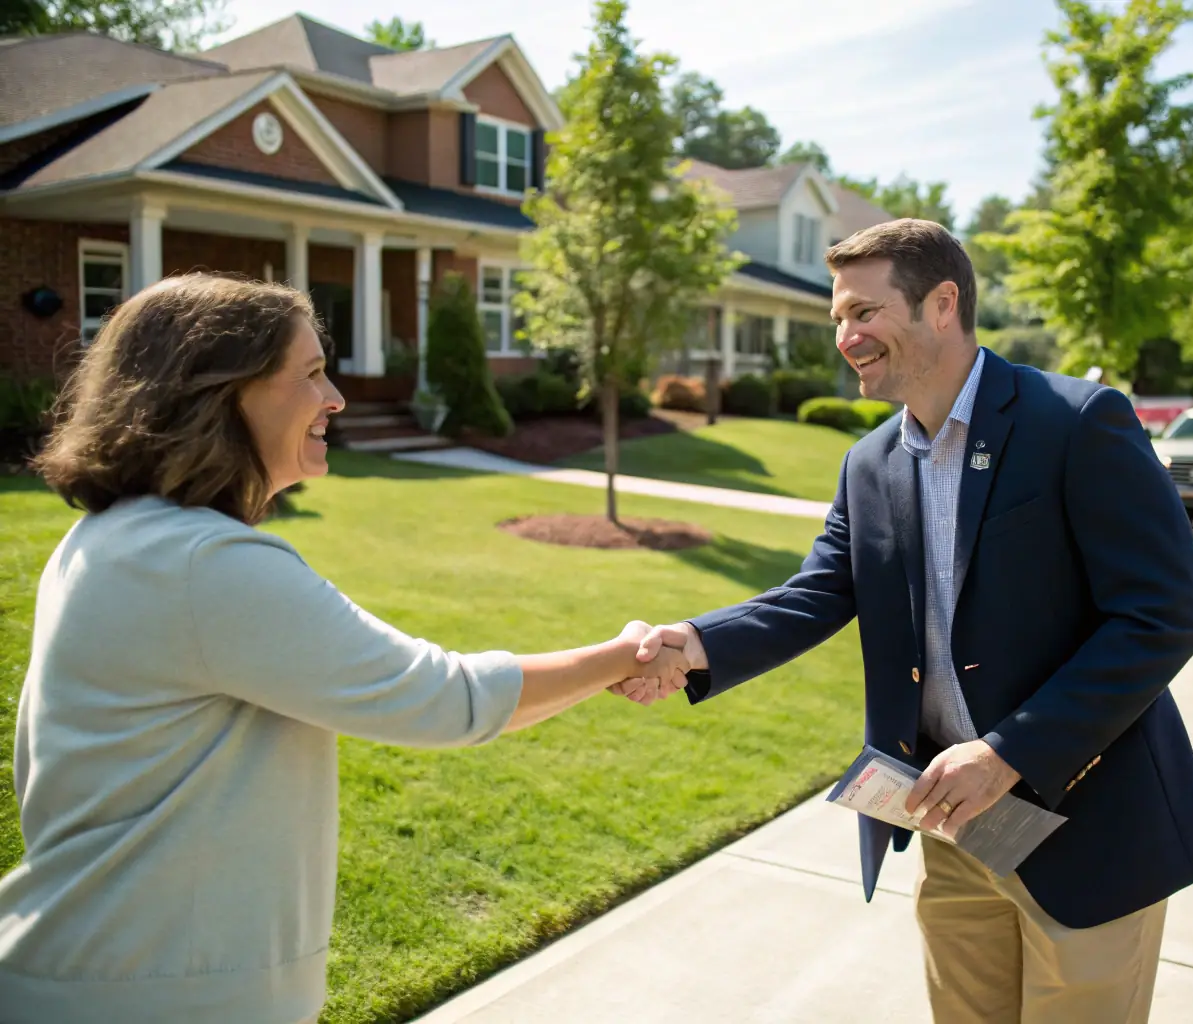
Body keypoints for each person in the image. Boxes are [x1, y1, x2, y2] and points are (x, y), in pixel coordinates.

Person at [0, 274, 685, 1024]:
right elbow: (445, 700)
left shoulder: (111, 537)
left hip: (100, 971)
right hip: (153, 992)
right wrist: (624, 653)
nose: (337, 399)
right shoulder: (207, 566)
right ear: (221, 392)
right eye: (311, 374)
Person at [623, 220, 1193, 1023]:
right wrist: (693, 644)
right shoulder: (868, 462)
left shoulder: (1077, 423)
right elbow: (817, 591)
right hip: (958, 831)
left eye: (864, 313)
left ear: (942, 304)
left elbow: (1161, 616)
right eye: (838, 318)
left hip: (1090, 833)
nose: (846, 336)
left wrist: (1008, 754)